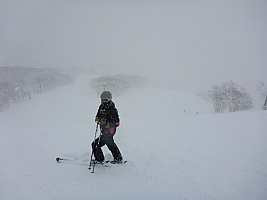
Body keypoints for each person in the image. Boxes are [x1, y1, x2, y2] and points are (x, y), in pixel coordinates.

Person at [91, 91, 123, 163]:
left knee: (96, 144)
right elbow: (97, 116)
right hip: (103, 130)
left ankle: (100, 159)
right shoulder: (101, 107)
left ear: (109, 100)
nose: (103, 101)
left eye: (105, 100)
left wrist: (106, 123)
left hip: (110, 131)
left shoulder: (112, 109)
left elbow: (117, 123)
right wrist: (98, 120)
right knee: (110, 144)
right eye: (102, 100)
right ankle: (118, 159)